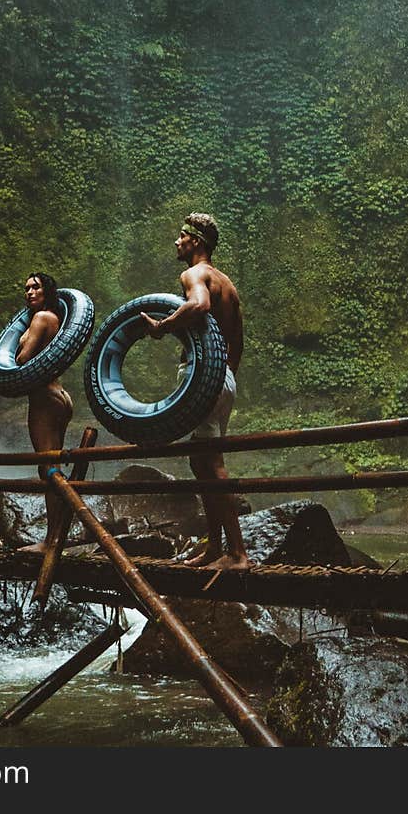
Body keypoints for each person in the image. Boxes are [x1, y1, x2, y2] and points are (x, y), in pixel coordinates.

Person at [140, 213, 250, 571]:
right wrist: (222, 376)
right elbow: (237, 342)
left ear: (196, 242)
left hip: (206, 377)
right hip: (223, 378)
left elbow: (199, 305)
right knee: (200, 459)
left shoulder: (194, 275)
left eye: (181, 237)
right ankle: (216, 547)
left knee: (211, 462)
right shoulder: (228, 284)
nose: (176, 242)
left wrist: (163, 326)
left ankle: (237, 554)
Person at [15, 272, 74, 555]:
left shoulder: (41, 319)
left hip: (43, 399)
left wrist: (18, 352)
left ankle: (52, 540)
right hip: (60, 395)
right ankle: (58, 535)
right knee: (54, 467)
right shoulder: (54, 319)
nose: (29, 292)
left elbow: (23, 359)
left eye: (35, 288)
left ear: (47, 292)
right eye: (26, 288)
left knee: (48, 469)